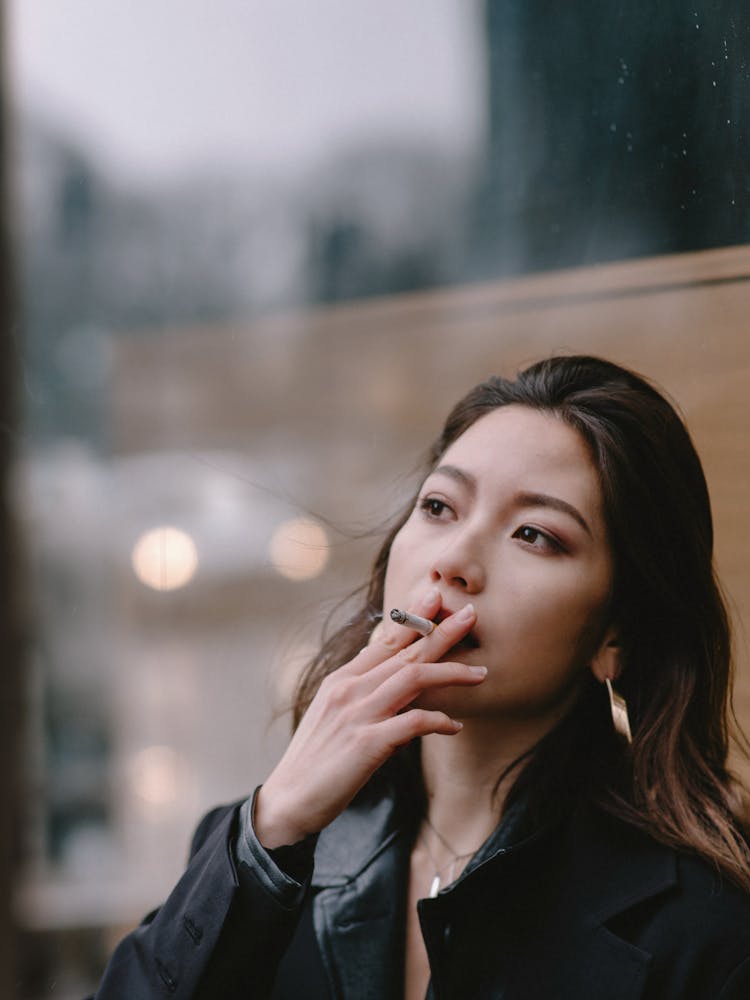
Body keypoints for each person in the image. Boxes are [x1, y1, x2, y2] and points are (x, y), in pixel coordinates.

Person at [92, 355, 750, 999]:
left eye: (533, 534)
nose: (455, 559)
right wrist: (274, 825)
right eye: (439, 507)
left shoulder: (701, 927)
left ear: (615, 637)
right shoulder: (262, 851)